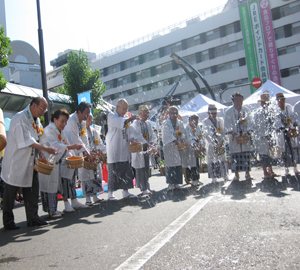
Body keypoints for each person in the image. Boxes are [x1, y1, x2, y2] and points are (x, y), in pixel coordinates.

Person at [1, 97, 58, 230]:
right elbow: (26, 141)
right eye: (42, 109)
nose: (43, 112)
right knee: (10, 192)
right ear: (33, 105)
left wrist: (43, 150)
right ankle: (8, 221)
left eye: (45, 110)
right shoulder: (20, 118)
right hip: (15, 162)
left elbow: (41, 136)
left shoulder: (36, 120)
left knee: (33, 189)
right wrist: (45, 148)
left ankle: (33, 217)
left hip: (30, 161)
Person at [39, 109, 83, 218]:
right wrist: (72, 147)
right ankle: (51, 211)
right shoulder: (48, 130)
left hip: (57, 162)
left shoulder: (61, 131)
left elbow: (65, 143)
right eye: (62, 121)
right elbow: (55, 147)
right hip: (48, 161)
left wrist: (72, 154)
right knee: (50, 186)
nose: (64, 124)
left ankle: (54, 209)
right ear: (55, 119)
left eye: (66, 121)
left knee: (54, 186)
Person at [106, 99, 140, 200]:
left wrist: (132, 139)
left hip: (124, 147)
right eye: (123, 109)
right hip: (114, 147)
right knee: (113, 170)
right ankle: (110, 193)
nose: (125, 111)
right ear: (117, 107)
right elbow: (122, 123)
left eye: (126, 109)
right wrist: (131, 118)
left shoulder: (125, 117)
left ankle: (125, 191)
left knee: (126, 169)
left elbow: (130, 130)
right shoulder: (111, 116)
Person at [62, 102, 93, 212]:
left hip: (75, 153)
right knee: (65, 178)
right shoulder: (71, 121)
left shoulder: (82, 121)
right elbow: (74, 138)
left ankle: (74, 200)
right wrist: (85, 152)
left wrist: (88, 151)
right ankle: (66, 203)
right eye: (86, 113)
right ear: (79, 112)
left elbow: (84, 138)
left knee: (73, 178)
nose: (87, 116)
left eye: (88, 113)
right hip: (65, 151)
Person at [225, 92, 253, 181]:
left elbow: (250, 122)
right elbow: (227, 125)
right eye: (237, 101)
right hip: (234, 137)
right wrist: (231, 131)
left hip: (244, 137)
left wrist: (248, 131)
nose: (239, 103)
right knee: (235, 156)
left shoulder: (246, 110)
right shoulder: (228, 112)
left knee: (246, 155)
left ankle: (247, 174)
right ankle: (236, 175)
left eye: (241, 101)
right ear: (233, 101)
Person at [79, 114, 106, 205]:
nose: (91, 121)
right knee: (86, 177)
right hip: (86, 156)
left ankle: (95, 196)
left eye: (91, 119)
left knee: (96, 176)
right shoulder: (81, 131)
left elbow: (99, 142)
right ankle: (87, 198)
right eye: (89, 119)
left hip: (94, 157)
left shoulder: (94, 131)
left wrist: (100, 150)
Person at [131, 105, 157, 195]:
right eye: (145, 114)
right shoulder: (136, 122)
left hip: (147, 147)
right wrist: (147, 144)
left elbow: (152, 134)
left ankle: (147, 186)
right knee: (141, 168)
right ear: (141, 114)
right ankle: (143, 188)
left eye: (147, 114)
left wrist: (152, 143)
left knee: (146, 168)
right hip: (140, 148)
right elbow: (138, 135)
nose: (147, 116)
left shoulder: (148, 123)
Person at [253, 93, 280, 179]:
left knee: (270, 154)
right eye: (265, 102)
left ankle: (270, 170)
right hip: (262, 137)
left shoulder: (270, 110)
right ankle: (265, 172)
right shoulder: (258, 112)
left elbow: (272, 123)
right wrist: (266, 135)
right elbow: (260, 126)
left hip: (270, 136)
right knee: (263, 155)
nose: (266, 104)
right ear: (261, 103)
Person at [274, 93, 299, 176]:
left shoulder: (289, 107)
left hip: (290, 131)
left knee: (293, 149)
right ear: (278, 101)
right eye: (281, 100)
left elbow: (293, 116)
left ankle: (295, 168)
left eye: (284, 100)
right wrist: (283, 127)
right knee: (284, 151)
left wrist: (295, 123)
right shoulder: (275, 109)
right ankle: (286, 169)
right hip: (282, 132)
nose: (282, 101)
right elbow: (276, 121)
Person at [203, 104, 228, 183]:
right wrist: (213, 135)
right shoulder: (205, 122)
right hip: (211, 144)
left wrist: (222, 140)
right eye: (212, 113)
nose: (213, 115)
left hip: (220, 143)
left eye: (215, 113)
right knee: (212, 160)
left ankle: (225, 175)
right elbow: (206, 133)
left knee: (222, 159)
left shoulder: (220, 120)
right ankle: (214, 177)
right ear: (208, 113)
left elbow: (224, 131)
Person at [162, 106, 185, 190]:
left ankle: (177, 182)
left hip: (177, 147)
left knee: (178, 164)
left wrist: (182, 138)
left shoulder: (179, 122)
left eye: (176, 113)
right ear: (169, 113)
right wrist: (176, 141)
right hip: (169, 147)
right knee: (170, 165)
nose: (174, 115)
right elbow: (167, 134)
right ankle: (171, 183)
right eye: (173, 113)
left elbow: (182, 132)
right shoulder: (166, 123)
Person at [182, 114, 204, 187]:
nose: (196, 123)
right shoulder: (186, 128)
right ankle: (192, 179)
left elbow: (200, 136)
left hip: (196, 149)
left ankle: (197, 179)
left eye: (197, 122)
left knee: (197, 164)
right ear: (190, 121)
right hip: (189, 149)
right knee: (191, 165)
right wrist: (195, 143)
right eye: (194, 122)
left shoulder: (197, 127)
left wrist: (200, 143)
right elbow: (188, 138)